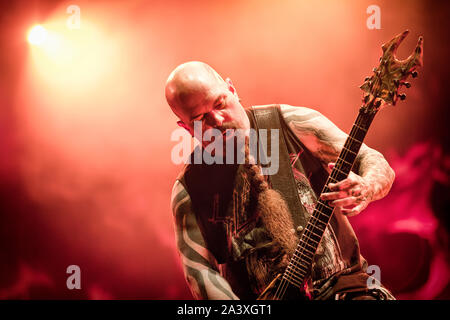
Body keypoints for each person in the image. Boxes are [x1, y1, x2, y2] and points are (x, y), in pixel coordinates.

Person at [165, 61, 396, 300]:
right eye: (201, 118)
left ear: (232, 89)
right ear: (186, 128)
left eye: (220, 102)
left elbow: (372, 160)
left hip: (348, 291)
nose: (218, 120)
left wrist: (367, 186)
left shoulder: (292, 123)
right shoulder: (189, 190)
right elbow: (202, 276)